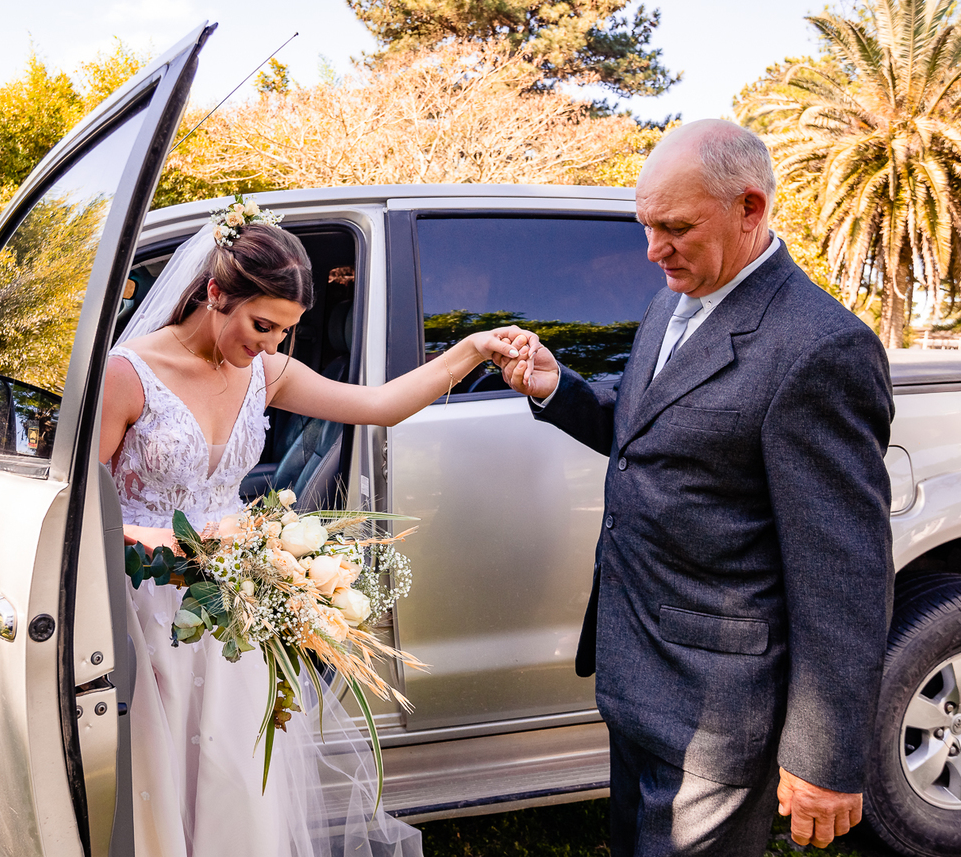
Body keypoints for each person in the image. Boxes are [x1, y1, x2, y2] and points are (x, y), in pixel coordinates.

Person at [495, 119, 895, 856]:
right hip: (634, 674)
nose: (652, 251)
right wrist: (560, 388)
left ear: (751, 208)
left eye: (674, 227)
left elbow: (843, 575)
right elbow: (648, 429)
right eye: (646, 225)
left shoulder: (820, 347)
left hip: (718, 712)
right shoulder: (669, 303)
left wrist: (825, 759)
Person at [99, 215, 525, 857]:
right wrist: (171, 545)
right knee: (154, 787)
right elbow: (80, 509)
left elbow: (379, 405)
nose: (270, 345)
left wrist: (471, 350)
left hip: (229, 616)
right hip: (145, 612)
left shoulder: (264, 374)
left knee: (235, 783)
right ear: (216, 295)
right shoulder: (125, 376)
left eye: (286, 331)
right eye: (260, 325)